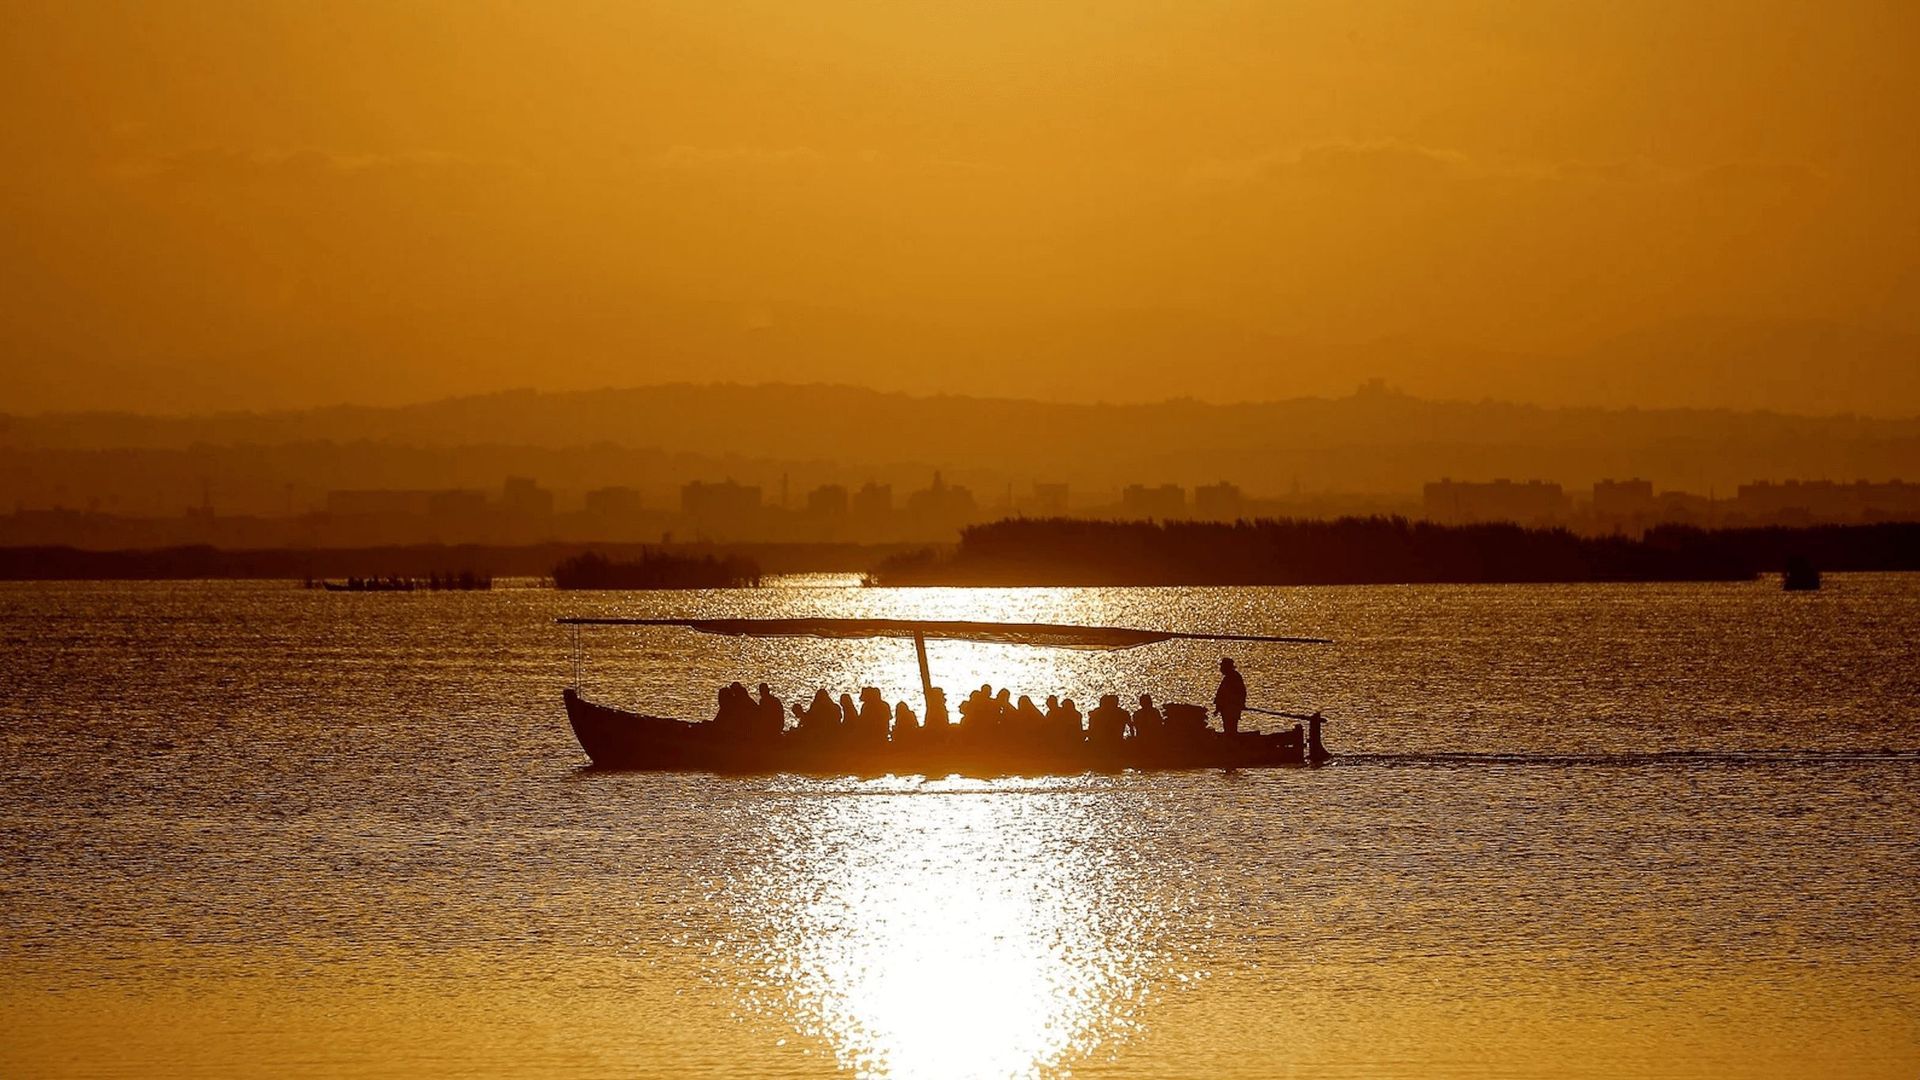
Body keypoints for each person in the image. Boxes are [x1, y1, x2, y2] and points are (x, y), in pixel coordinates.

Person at [1214, 657, 1248, 736]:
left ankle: (1231, 742)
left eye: (1222, 667)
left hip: (1232, 709)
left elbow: (1241, 692)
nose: (1221, 669)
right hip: (1227, 709)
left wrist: (1240, 703)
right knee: (1228, 728)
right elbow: (1221, 695)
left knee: (1231, 728)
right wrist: (1218, 708)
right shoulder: (1228, 678)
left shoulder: (1234, 677)